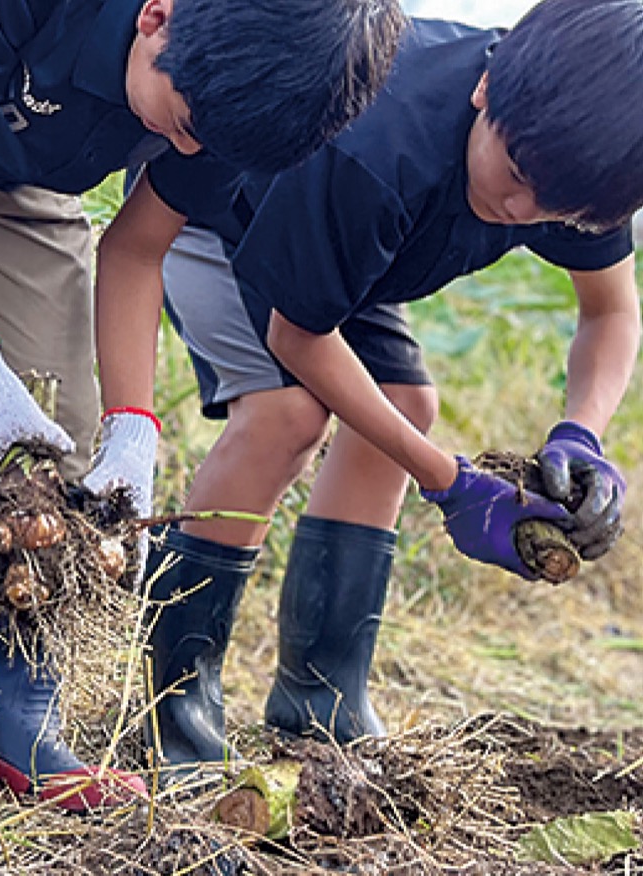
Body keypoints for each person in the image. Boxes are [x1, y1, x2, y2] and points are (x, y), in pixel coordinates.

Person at [0, 0, 406, 822]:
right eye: (181, 124)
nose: (185, 150)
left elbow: (137, 248)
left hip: (27, 176)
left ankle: (9, 718)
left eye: (203, 143)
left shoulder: (225, 101)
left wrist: (133, 428)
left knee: (62, 420)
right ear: (156, 17)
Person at [95, 0, 642, 768]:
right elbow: (297, 337)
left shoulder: (577, 157)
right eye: (515, 178)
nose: (524, 211)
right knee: (285, 414)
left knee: (408, 404)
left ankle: (321, 703)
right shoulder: (385, 148)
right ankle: (167, 712)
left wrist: (581, 431)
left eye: (556, 210)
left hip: (341, 255)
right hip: (223, 214)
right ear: (486, 93)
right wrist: (450, 483)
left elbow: (612, 312)